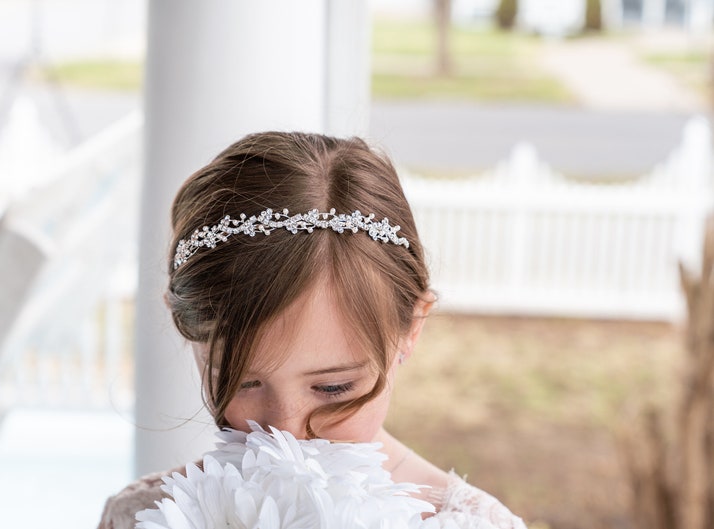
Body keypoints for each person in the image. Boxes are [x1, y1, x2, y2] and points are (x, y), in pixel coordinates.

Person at [97, 131, 527, 529]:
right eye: (243, 382)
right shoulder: (141, 516)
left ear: (411, 328)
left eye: (334, 388)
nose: (286, 429)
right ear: (188, 332)